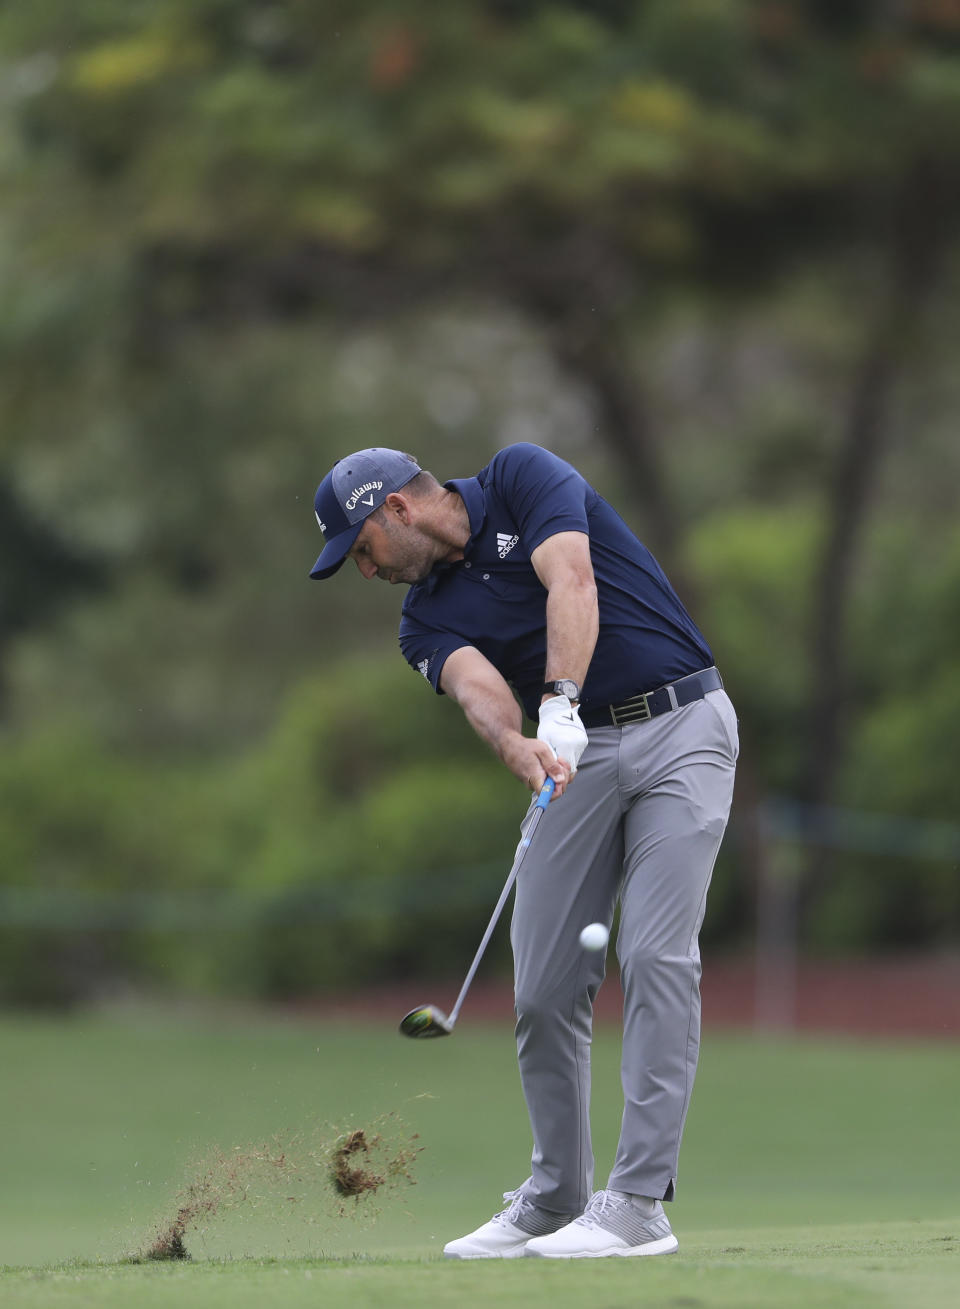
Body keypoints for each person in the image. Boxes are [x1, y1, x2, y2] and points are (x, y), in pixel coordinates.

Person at [309, 442, 738, 1259]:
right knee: (541, 983)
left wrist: (561, 698)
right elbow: (476, 684)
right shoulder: (421, 619)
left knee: (654, 955)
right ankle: (555, 1196)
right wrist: (514, 740)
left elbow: (570, 578)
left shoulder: (522, 477)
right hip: (572, 757)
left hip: (682, 726)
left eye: (361, 549)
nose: (366, 571)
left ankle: (640, 1203)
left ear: (397, 508)